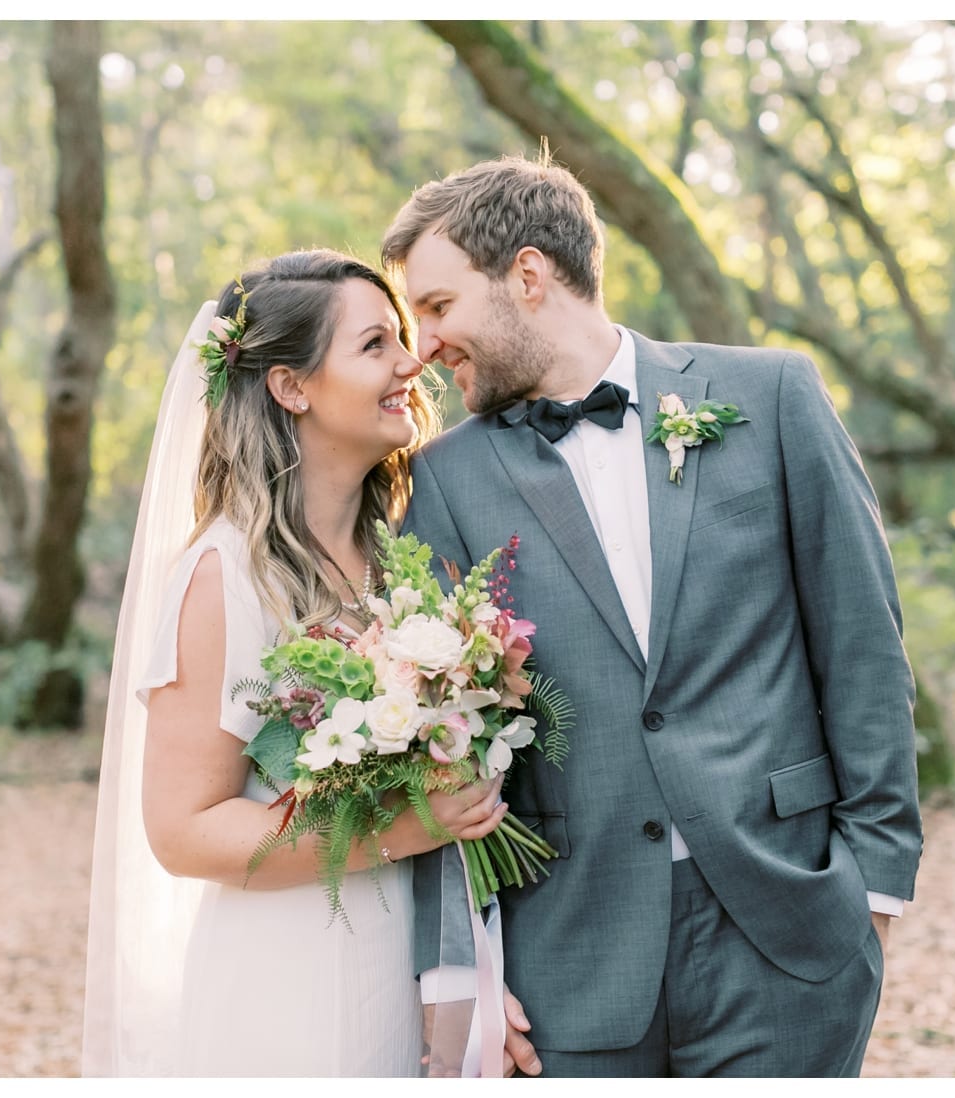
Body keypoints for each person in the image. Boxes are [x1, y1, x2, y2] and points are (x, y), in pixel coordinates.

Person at [381, 155, 924, 1077]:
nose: (423, 346)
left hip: (788, 933)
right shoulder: (444, 479)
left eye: (436, 306)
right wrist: (460, 973)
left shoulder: (771, 398)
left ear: (527, 274)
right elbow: (435, 739)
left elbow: (864, 648)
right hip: (569, 952)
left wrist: (872, 891)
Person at [81, 249, 507, 1077]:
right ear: (291, 387)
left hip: (414, 960)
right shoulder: (225, 575)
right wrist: (405, 828)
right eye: (376, 344)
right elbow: (184, 829)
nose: (412, 363)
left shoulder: (408, 557)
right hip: (291, 975)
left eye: (405, 339)